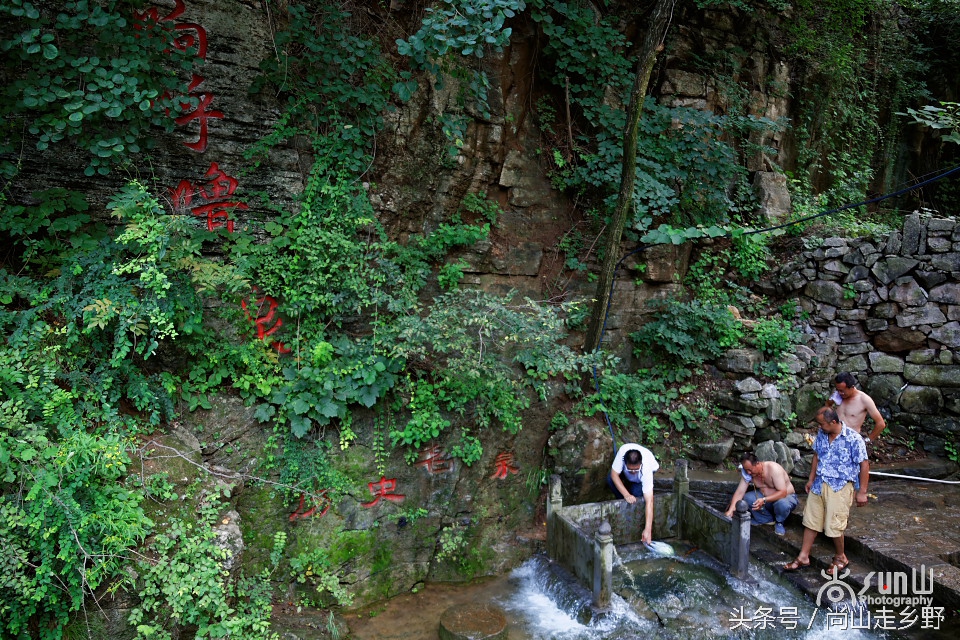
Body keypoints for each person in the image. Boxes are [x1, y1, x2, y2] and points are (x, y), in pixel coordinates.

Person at [783, 407, 869, 573]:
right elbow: (817, 456)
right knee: (811, 521)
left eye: (822, 424)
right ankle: (803, 556)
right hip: (819, 483)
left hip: (840, 486)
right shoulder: (823, 434)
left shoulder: (853, 438)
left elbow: (864, 464)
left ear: (833, 422)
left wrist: (862, 491)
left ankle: (841, 557)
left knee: (834, 525)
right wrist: (811, 479)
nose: (819, 427)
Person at [724, 452, 798, 536]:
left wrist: (764, 500)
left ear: (757, 463)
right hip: (766, 500)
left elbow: (783, 492)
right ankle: (766, 519)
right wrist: (730, 511)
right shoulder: (748, 474)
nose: (748, 472)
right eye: (746, 470)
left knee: (782, 503)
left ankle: (780, 522)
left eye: (750, 470)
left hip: (786, 498)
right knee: (748, 498)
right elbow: (740, 492)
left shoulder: (773, 469)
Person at [607, 443, 659, 545]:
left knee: (636, 492)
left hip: (647, 471)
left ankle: (632, 498)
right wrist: (626, 495)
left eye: (636, 469)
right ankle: (623, 501)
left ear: (641, 464)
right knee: (610, 479)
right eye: (630, 469)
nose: (634, 471)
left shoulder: (646, 468)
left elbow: (649, 501)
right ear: (625, 463)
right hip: (625, 473)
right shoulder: (621, 454)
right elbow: (614, 475)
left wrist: (648, 530)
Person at [825, 372, 886, 444]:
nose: (839, 393)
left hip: (850, 441)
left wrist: (867, 441)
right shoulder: (837, 396)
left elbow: (881, 424)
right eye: (837, 390)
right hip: (833, 437)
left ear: (852, 387)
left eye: (842, 390)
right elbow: (827, 405)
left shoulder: (864, 400)